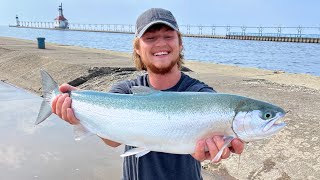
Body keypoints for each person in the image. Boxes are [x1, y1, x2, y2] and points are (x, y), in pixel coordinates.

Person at [52, 8, 244, 180]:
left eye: (168, 36)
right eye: (150, 38)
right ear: (137, 47)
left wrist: (214, 151)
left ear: (180, 43)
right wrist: (78, 110)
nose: (160, 44)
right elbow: (112, 140)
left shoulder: (202, 95)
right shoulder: (125, 92)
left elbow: (221, 141)